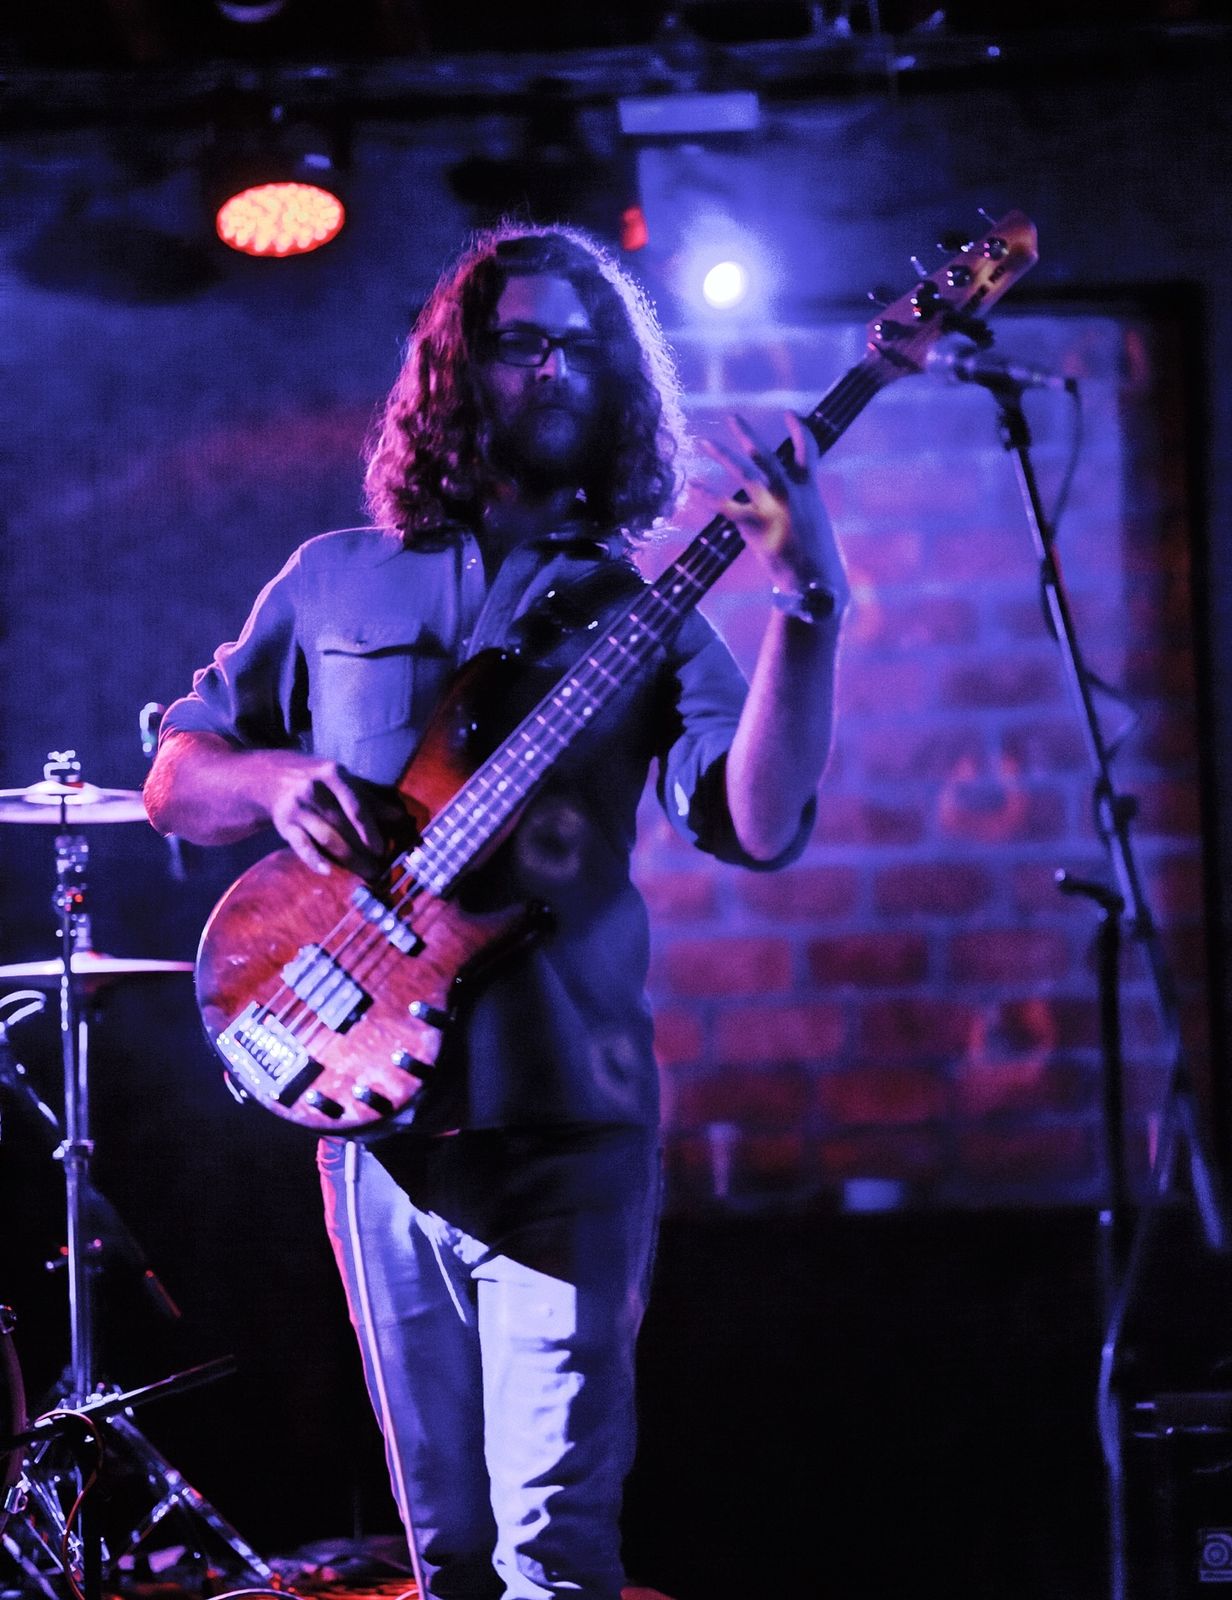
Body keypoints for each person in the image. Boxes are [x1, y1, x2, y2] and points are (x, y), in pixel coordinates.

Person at [144, 223, 850, 1600]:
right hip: (372, 1129)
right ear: (458, 367)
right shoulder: (333, 575)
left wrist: (808, 602)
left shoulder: (638, 611)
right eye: (523, 342)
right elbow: (177, 780)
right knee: (446, 1557)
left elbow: (758, 823)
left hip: (565, 1127)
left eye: (584, 347)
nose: (556, 368)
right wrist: (277, 781)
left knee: (552, 1552)